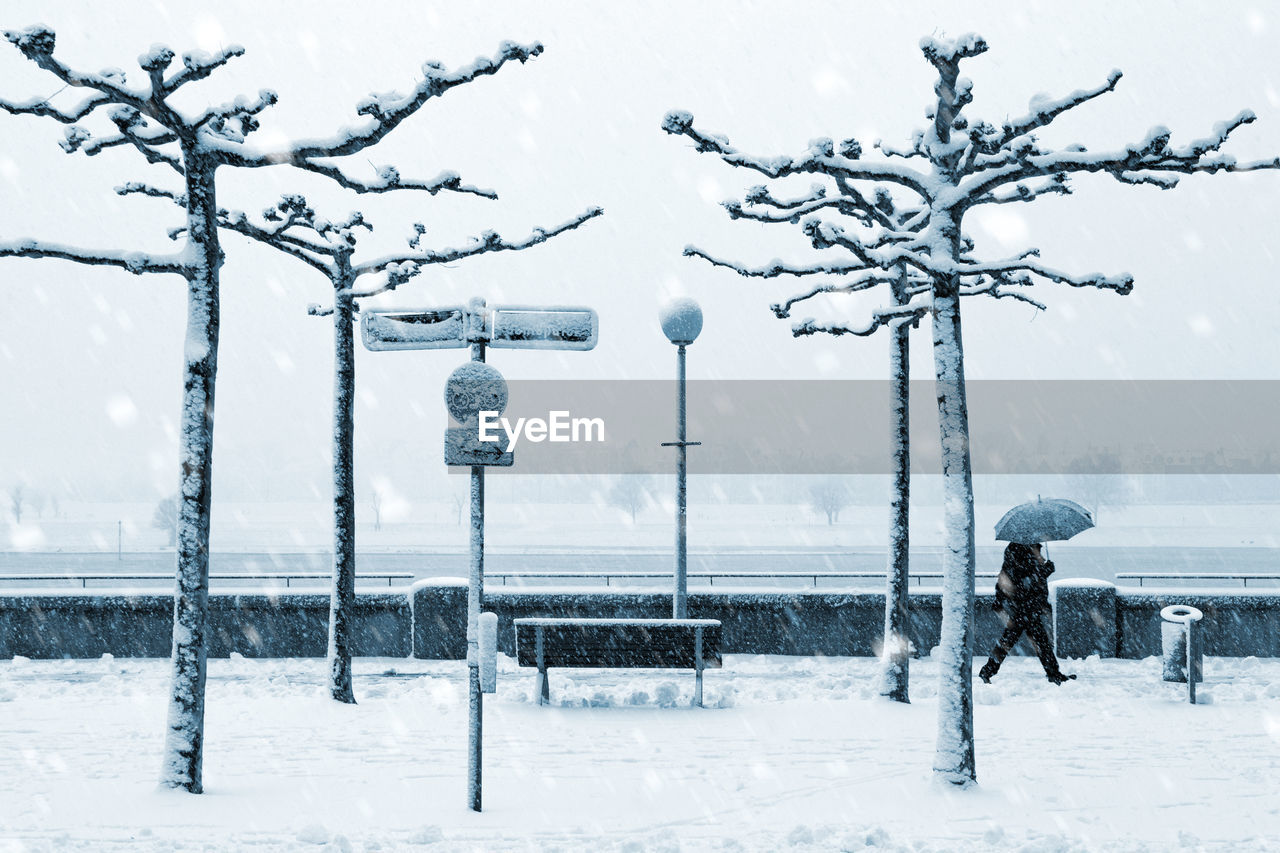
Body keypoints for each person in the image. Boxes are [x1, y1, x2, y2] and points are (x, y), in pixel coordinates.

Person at [978, 542, 1076, 685]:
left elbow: (1020, 576)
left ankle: (988, 671)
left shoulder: (1021, 548)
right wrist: (1045, 571)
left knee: (1027, 641)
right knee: (1034, 642)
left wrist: (1042, 568)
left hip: (1025, 606)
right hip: (1024, 606)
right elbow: (1025, 578)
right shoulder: (1019, 549)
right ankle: (1053, 673)